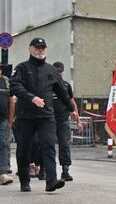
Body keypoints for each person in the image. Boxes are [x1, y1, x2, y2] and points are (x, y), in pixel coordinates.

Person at [10, 38, 75, 193]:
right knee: (24, 149)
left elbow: (62, 92)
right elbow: (14, 86)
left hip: (46, 116)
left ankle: (51, 181)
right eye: (37, 47)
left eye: (43, 48)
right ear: (30, 49)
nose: (40, 50)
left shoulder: (51, 70)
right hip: (26, 116)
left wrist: (71, 109)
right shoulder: (22, 68)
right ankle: (24, 180)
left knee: (48, 146)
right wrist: (30, 97)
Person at [51, 61, 82, 182]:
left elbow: (72, 102)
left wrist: (77, 119)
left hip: (63, 119)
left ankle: (65, 170)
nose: (58, 74)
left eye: (60, 72)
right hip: (49, 119)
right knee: (47, 145)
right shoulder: (48, 85)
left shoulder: (66, 85)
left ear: (63, 72)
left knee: (64, 144)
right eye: (56, 72)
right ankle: (45, 169)